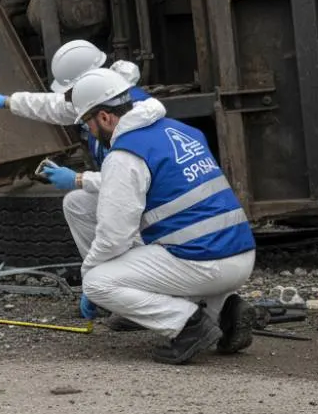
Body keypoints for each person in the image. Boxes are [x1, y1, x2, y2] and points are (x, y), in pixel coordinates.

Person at [54, 67, 257, 364]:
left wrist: (89, 277)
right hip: (240, 253)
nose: (89, 132)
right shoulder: (181, 130)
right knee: (84, 205)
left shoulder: (125, 156)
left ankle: (187, 325)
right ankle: (225, 310)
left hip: (204, 262)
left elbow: (114, 237)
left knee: (98, 282)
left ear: (105, 118)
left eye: (87, 124)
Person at [0, 39, 149, 168]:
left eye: (70, 91)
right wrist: (7, 101)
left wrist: (79, 180)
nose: (68, 98)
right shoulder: (105, 99)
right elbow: (53, 106)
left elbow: (125, 179)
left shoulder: (130, 117)